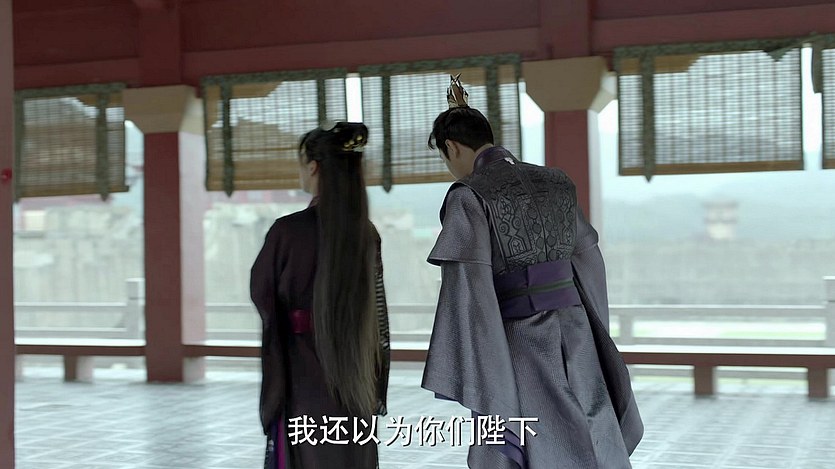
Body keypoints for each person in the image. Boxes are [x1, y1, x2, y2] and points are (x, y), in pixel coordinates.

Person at [421, 76, 643, 468]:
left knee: (537, 434)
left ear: (452, 147)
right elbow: (588, 260)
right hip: (576, 327)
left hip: (521, 337)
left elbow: (469, 288)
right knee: (591, 423)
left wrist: (482, 358)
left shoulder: (469, 195)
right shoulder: (556, 181)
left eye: (445, 158)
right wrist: (593, 325)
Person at [250, 122, 391, 469]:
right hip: (355, 369)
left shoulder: (287, 231)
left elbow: (262, 294)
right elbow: (377, 310)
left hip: (302, 369)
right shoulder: (365, 234)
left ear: (313, 167)